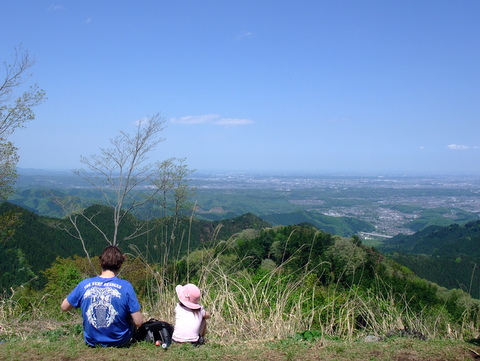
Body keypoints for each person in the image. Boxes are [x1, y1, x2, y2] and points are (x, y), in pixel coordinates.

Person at [61, 246, 143, 347]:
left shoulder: (84, 284)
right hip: (120, 341)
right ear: (120, 265)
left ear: (101, 263)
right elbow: (138, 322)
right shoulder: (125, 286)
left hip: (92, 341)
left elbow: (64, 307)